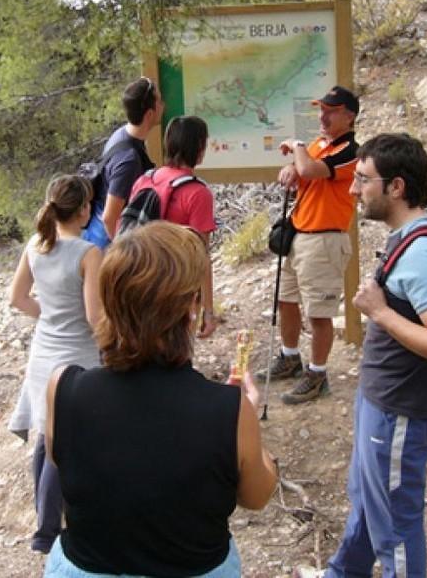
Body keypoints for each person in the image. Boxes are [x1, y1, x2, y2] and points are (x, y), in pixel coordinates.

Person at [43, 222, 277, 577]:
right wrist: (251, 430)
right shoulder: (229, 409)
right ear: (189, 308)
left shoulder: (63, 387)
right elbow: (256, 497)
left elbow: (69, 464)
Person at [323, 133, 427, 578]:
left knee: (396, 527)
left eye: (363, 179)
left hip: (402, 409)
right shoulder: (411, 234)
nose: (352, 189)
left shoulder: (424, 252)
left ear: (397, 187)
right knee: (368, 498)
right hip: (383, 399)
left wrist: (381, 313)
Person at [10, 174, 102, 554]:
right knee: (59, 444)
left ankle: (43, 520)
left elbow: (17, 298)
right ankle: (46, 533)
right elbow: (95, 317)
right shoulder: (87, 253)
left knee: (46, 439)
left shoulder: (36, 245)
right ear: (83, 210)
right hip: (76, 356)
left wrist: (49, 314)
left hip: (43, 352)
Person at [258, 85, 359, 405]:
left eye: (331, 111)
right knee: (286, 300)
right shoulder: (319, 144)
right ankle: (290, 357)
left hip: (325, 240)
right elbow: (298, 171)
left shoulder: (350, 152)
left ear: (349, 116)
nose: (322, 116)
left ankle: (318, 374)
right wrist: (289, 168)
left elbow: (307, 168)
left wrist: (297, 149)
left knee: (318, 313)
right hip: (300, 235)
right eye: (321, 109)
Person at [127, 115, 217, 337]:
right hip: (177, 289)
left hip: (139, 280)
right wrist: (208, 310)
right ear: (199, 146)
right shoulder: (197, 194)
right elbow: (201, 256)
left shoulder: (145, 180)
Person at [82, 77, 163, 250]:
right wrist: (122, 253)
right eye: (159, 102)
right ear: (149, 114)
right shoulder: (129, 160)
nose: (163, 106)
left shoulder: (121, 135)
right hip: (106, 244)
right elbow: (109, 217)